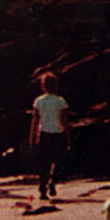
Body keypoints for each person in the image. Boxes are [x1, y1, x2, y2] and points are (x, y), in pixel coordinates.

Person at [29, 72, 70, 200]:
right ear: (56, 86)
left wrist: (32, 137)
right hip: (58, 134)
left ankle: (42, 189)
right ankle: (53, 181)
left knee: (43, 163)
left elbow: (35, 120)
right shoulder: (60, 101)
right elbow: (64, 120)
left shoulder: (39, 101)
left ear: (43, 86)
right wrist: (68, 136)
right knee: (58, 161)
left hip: (44, 134)